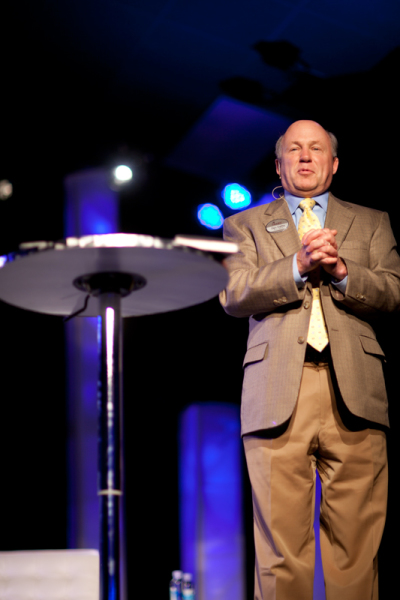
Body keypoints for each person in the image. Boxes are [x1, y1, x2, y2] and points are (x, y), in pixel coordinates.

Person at [219, 120, 400, 600]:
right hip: (278, 391)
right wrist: (297, 265)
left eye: (316, 148)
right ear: (278, 165)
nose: (304, 156)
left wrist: (342, 271)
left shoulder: (372, 220)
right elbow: (233, 294)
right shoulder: (244, 224)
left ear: (334, 163)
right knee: (280, 554)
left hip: (355, 392)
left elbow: (392, 292)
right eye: (293, 149)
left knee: (357, 549)